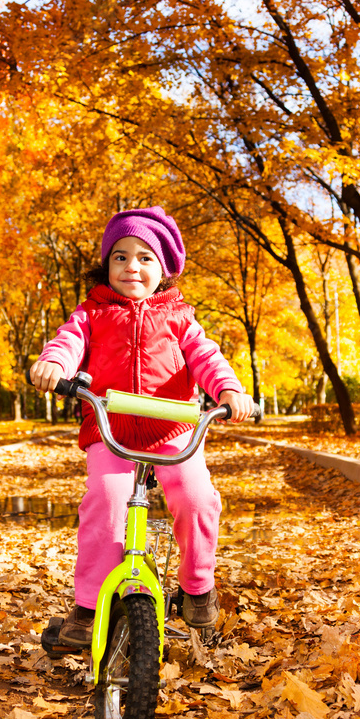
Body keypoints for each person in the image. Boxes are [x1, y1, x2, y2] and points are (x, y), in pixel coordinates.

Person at [30, 205, 254, 650]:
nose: (132, 265)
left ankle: (197, 587)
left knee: (197, 499)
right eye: (120, 256)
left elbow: (207, 358)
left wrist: (229, 391)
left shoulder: (180, 317)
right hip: (110, 432)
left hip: (174, 433)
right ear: (106, 265)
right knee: (105, 502)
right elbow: (68, 342)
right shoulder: (92, 313)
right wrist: (54, 364)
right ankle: (90, 607)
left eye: (145, 257)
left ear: (165, 268)